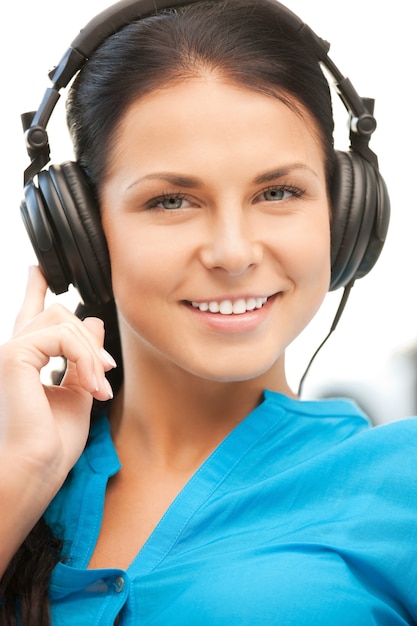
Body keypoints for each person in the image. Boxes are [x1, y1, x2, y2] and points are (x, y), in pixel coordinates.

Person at [0, 0, 415, 624]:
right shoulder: (15, 468)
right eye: (171, 201)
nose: (232, 252)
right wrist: (20, 476)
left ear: (346, 213)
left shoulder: (401, 484)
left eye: (278, 192)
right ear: (79, 233)